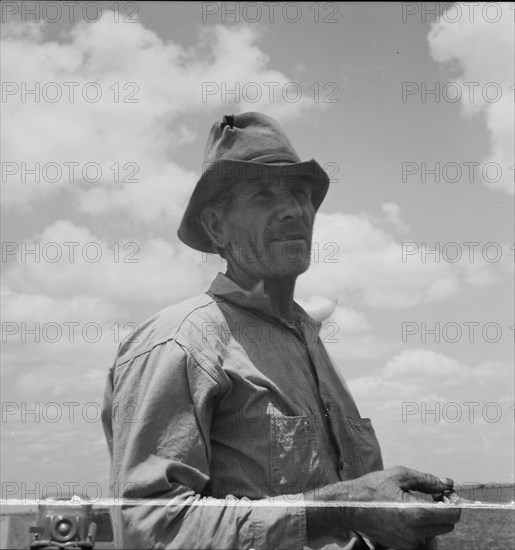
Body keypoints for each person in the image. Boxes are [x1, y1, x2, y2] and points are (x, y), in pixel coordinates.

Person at [101, 112, 461, 549]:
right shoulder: (178, 343)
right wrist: (338, 510)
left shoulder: (308, 337)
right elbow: (148, 531)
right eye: (263, 194)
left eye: (299, 192)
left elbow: (352, 504)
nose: (293, 209)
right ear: (217, 226)